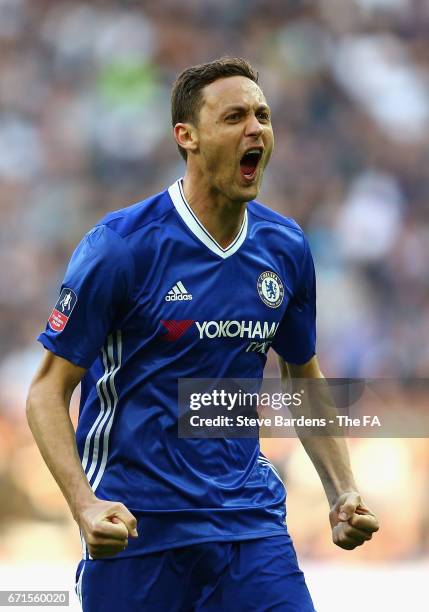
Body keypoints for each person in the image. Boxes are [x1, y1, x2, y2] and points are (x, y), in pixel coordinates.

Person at [26, 57, 379, 611]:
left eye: (263, 115)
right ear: (186, 136)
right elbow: (47, 390)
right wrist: (84, 503)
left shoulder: (285, 247)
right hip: (139, 529)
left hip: (249, 527)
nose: (256, 128)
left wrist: (342, 490)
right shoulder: (122, 246)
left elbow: (301, 374)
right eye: (235, 116)